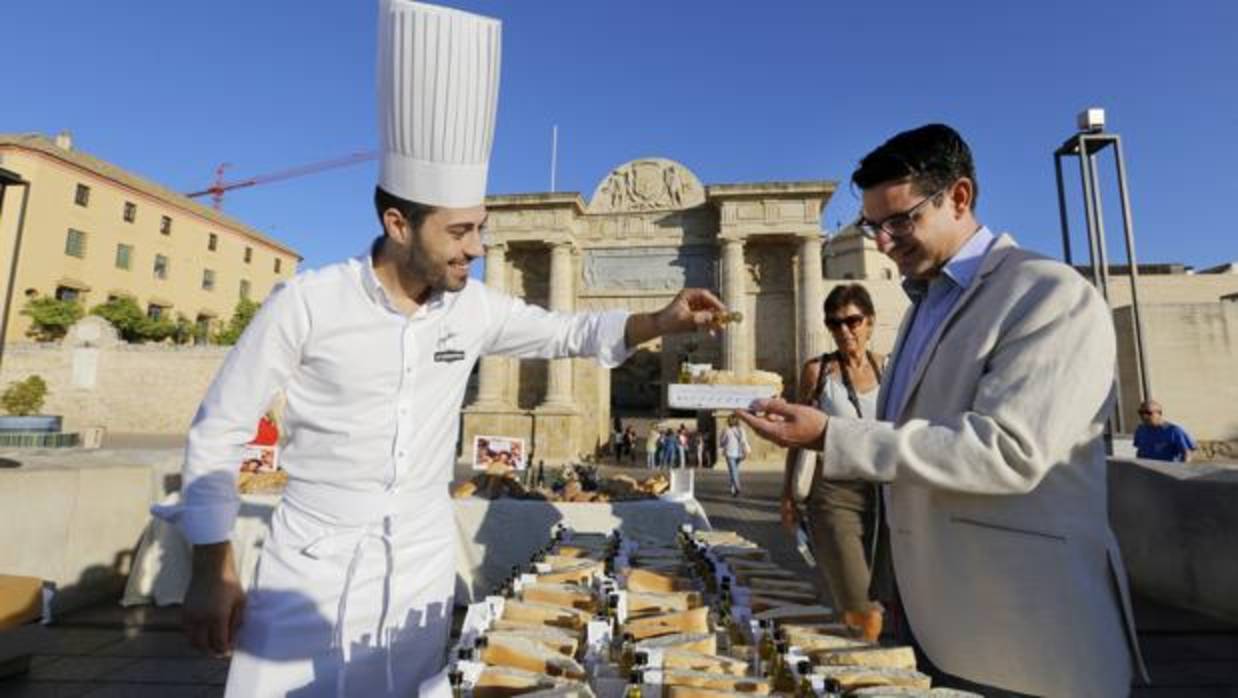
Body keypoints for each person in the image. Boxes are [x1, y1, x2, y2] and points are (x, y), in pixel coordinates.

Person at [155, 3, 730, 696]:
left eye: (480, 229)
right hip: (307, 573)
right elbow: (217, 431)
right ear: (398, 223)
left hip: (421, 575)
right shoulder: (307, 303)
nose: (477, 249)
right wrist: (212, 567)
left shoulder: (474, 308)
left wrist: (659, 320)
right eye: (460, 232)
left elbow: (567, 331)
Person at [739, 124, 1146, 697]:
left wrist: (835, 435)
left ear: (959, 197)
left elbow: (1008, 450)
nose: (882, 242)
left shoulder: (1046, 295)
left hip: (1023, 639)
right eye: (872, 226)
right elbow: (911, 437)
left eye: (900, 220)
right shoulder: (923, 307)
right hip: (934, 623)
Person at [781, 283, 885, 642]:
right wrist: (788, 495)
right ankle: (863, 665)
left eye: (852, 321)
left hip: (886, 494)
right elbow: (798, 435)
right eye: (834, 323)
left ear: (870, 322)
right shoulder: (818, 371)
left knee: (887, 595)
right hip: (834, 492)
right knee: (858, 598)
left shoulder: (889, 368)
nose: (844, 330)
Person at [719, 414, 750, 497]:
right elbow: (744, 441)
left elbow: (722, 442)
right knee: (734, 470)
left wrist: (723, 442)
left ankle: (737, 487)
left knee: (733, 471)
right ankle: (733, 489)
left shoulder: (726, 430)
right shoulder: (741, 430)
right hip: (739, 453)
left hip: (730, 453)